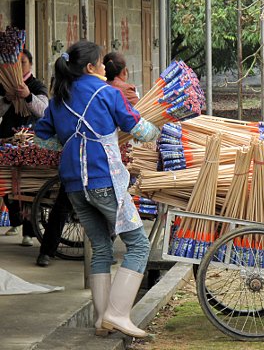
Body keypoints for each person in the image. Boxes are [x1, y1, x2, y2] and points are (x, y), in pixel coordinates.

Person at [34, 40, 158, 338]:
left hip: (74, 184)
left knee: (101, 247)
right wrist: (155, 129)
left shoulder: (58, 98)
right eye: (102, 63)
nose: (105, 67)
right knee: (139, 246)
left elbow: (41, 137)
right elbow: (137, 128)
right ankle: (117, 314)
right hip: (105, 179)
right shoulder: (106, 93)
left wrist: (68, 144)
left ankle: (102, 319)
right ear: (90, 68)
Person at [0, 48, 48, 246]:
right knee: (7, 183)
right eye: (16, 63)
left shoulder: (36, 85)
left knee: (28, 187)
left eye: (24, 63)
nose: (19, 67)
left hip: (29, 138)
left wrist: (28, 96)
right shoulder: (4, 84)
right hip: (6, 138)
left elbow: (44, 111)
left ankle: (29, 231)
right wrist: (7, 100)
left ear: (30, 64)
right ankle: (16, 220)